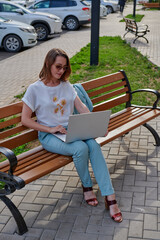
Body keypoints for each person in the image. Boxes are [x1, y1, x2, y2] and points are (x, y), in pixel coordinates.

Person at [21, 48, 122, 223]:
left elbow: (82, 108)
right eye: (58, 67)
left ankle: (110, 196)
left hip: (71, 130)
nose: (61, 71)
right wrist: (50, 129)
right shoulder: (34, 89)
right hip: (50, 135)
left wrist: (98, 127)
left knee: (93, 145)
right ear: (48, 64)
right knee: (81, 148)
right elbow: (25, 120)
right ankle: (87, 186)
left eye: (64, 68)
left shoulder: (66, 86)